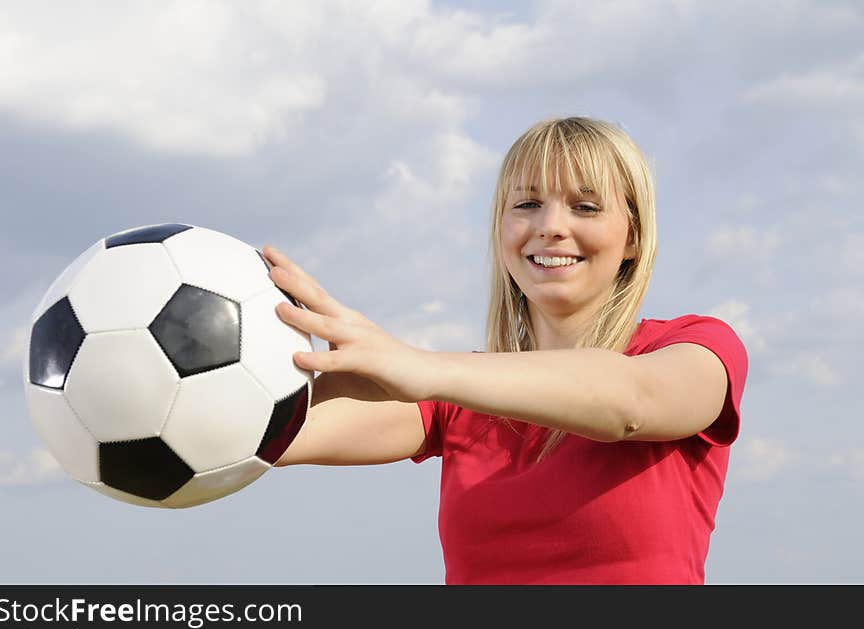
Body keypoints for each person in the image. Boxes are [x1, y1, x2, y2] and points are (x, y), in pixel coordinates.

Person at [261, 116, 748, 585]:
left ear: (634, 238)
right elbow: (258, 436)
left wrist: (421, 366)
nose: (551, 226)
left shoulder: (699, 346)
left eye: (585, 206)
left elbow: (633, 402)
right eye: (528, 204)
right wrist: (301, 367)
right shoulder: (455, 398)